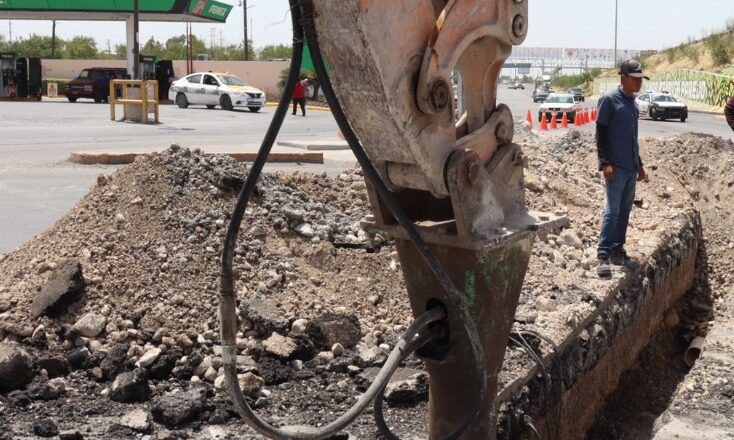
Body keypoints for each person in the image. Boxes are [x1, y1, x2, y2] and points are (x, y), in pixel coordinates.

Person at [595, 59, 648, 278]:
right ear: (623, 78)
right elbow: (600, 133)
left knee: (625, 211)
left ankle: (618, 251)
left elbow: (632, 138)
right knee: (612, 211)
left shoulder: (632, 103)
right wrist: (605, 162)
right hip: (615, 168)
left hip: (630, 167)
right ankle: (603, 255)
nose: (638, 83)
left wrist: (640, 165)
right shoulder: (609, 100)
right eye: (635, 79)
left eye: (640, 80)